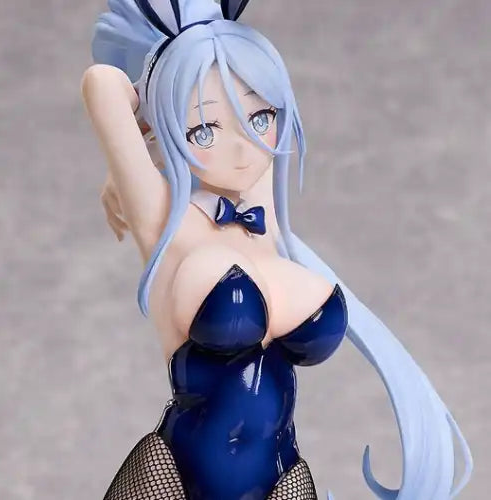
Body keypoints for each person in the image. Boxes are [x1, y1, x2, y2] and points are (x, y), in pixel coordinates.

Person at [81, 0, 473, 498]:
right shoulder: (166, 223)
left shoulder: (260, 215)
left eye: (260, 117)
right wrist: (137, 151)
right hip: (177, 477)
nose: (242, 147)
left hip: (281, 475)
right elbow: (101, 83)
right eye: (204, 129)